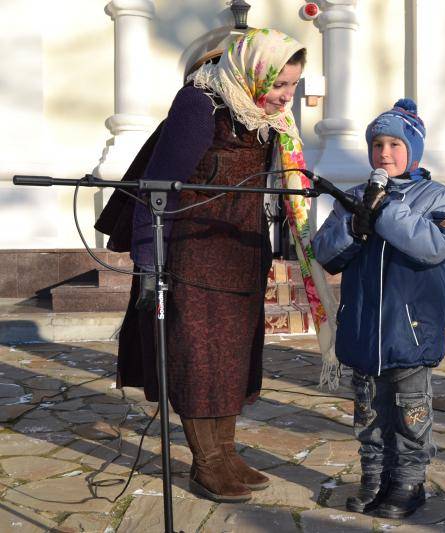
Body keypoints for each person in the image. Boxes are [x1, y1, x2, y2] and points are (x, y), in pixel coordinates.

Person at [114, 28, 308, 503]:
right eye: (280, 84)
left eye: (293, 85)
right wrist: (149, 262)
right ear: (253, 72)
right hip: (193, 259)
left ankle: (226, 452)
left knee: (233, 361)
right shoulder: (201, 105)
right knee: (199, 362)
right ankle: (206, 464)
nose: (287, 96)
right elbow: (156, 189)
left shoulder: (268, 119)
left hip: (241, 256)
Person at [312, 99, 445, 518]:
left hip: (409, 331)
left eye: (395, 144)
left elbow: (431, 246)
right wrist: (353, 226)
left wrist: (384, 209)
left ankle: (408, 483)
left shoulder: (441, 198)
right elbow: (324, 253)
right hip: (363, 328)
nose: (384, 153)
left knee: (409, 414)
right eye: (377, 145)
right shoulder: (354, 198)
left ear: (413, 150)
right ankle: (374, 478)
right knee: (368, 413)